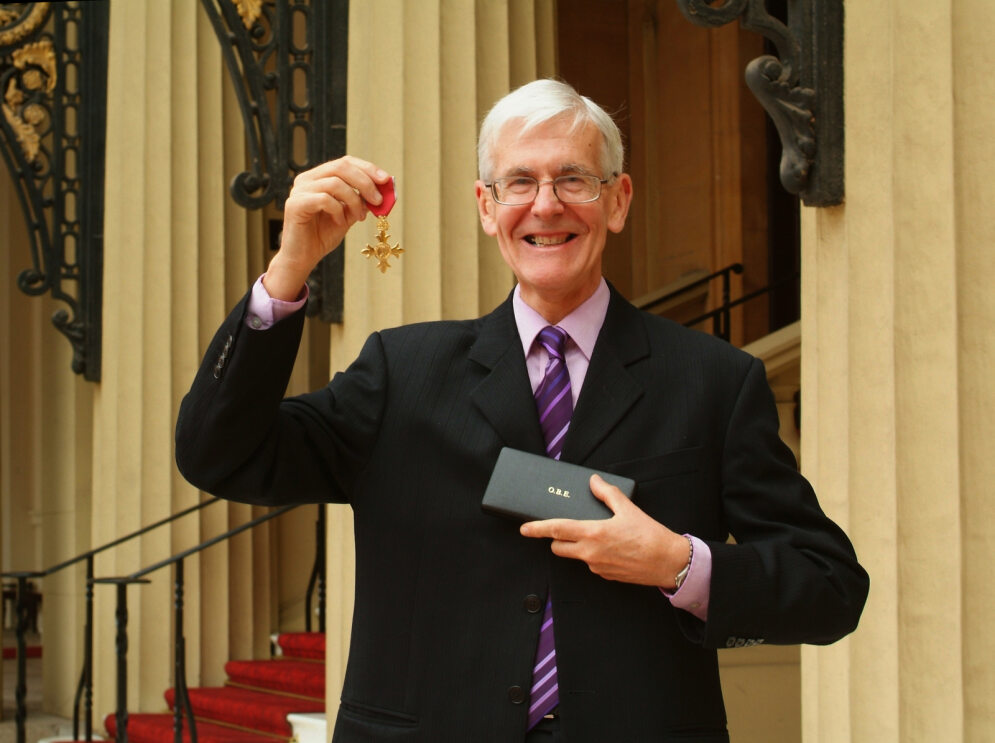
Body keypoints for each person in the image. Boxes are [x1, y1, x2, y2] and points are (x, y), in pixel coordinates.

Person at [176, 79, 868, 743]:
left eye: (573, 179)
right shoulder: (400, 373)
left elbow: (829, 585)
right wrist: (288, 270)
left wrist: (678, 563)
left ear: (617, 200)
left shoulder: (714, 380)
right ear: (486, 206)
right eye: (519, 182)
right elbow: (220, 454)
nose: (545, 205)